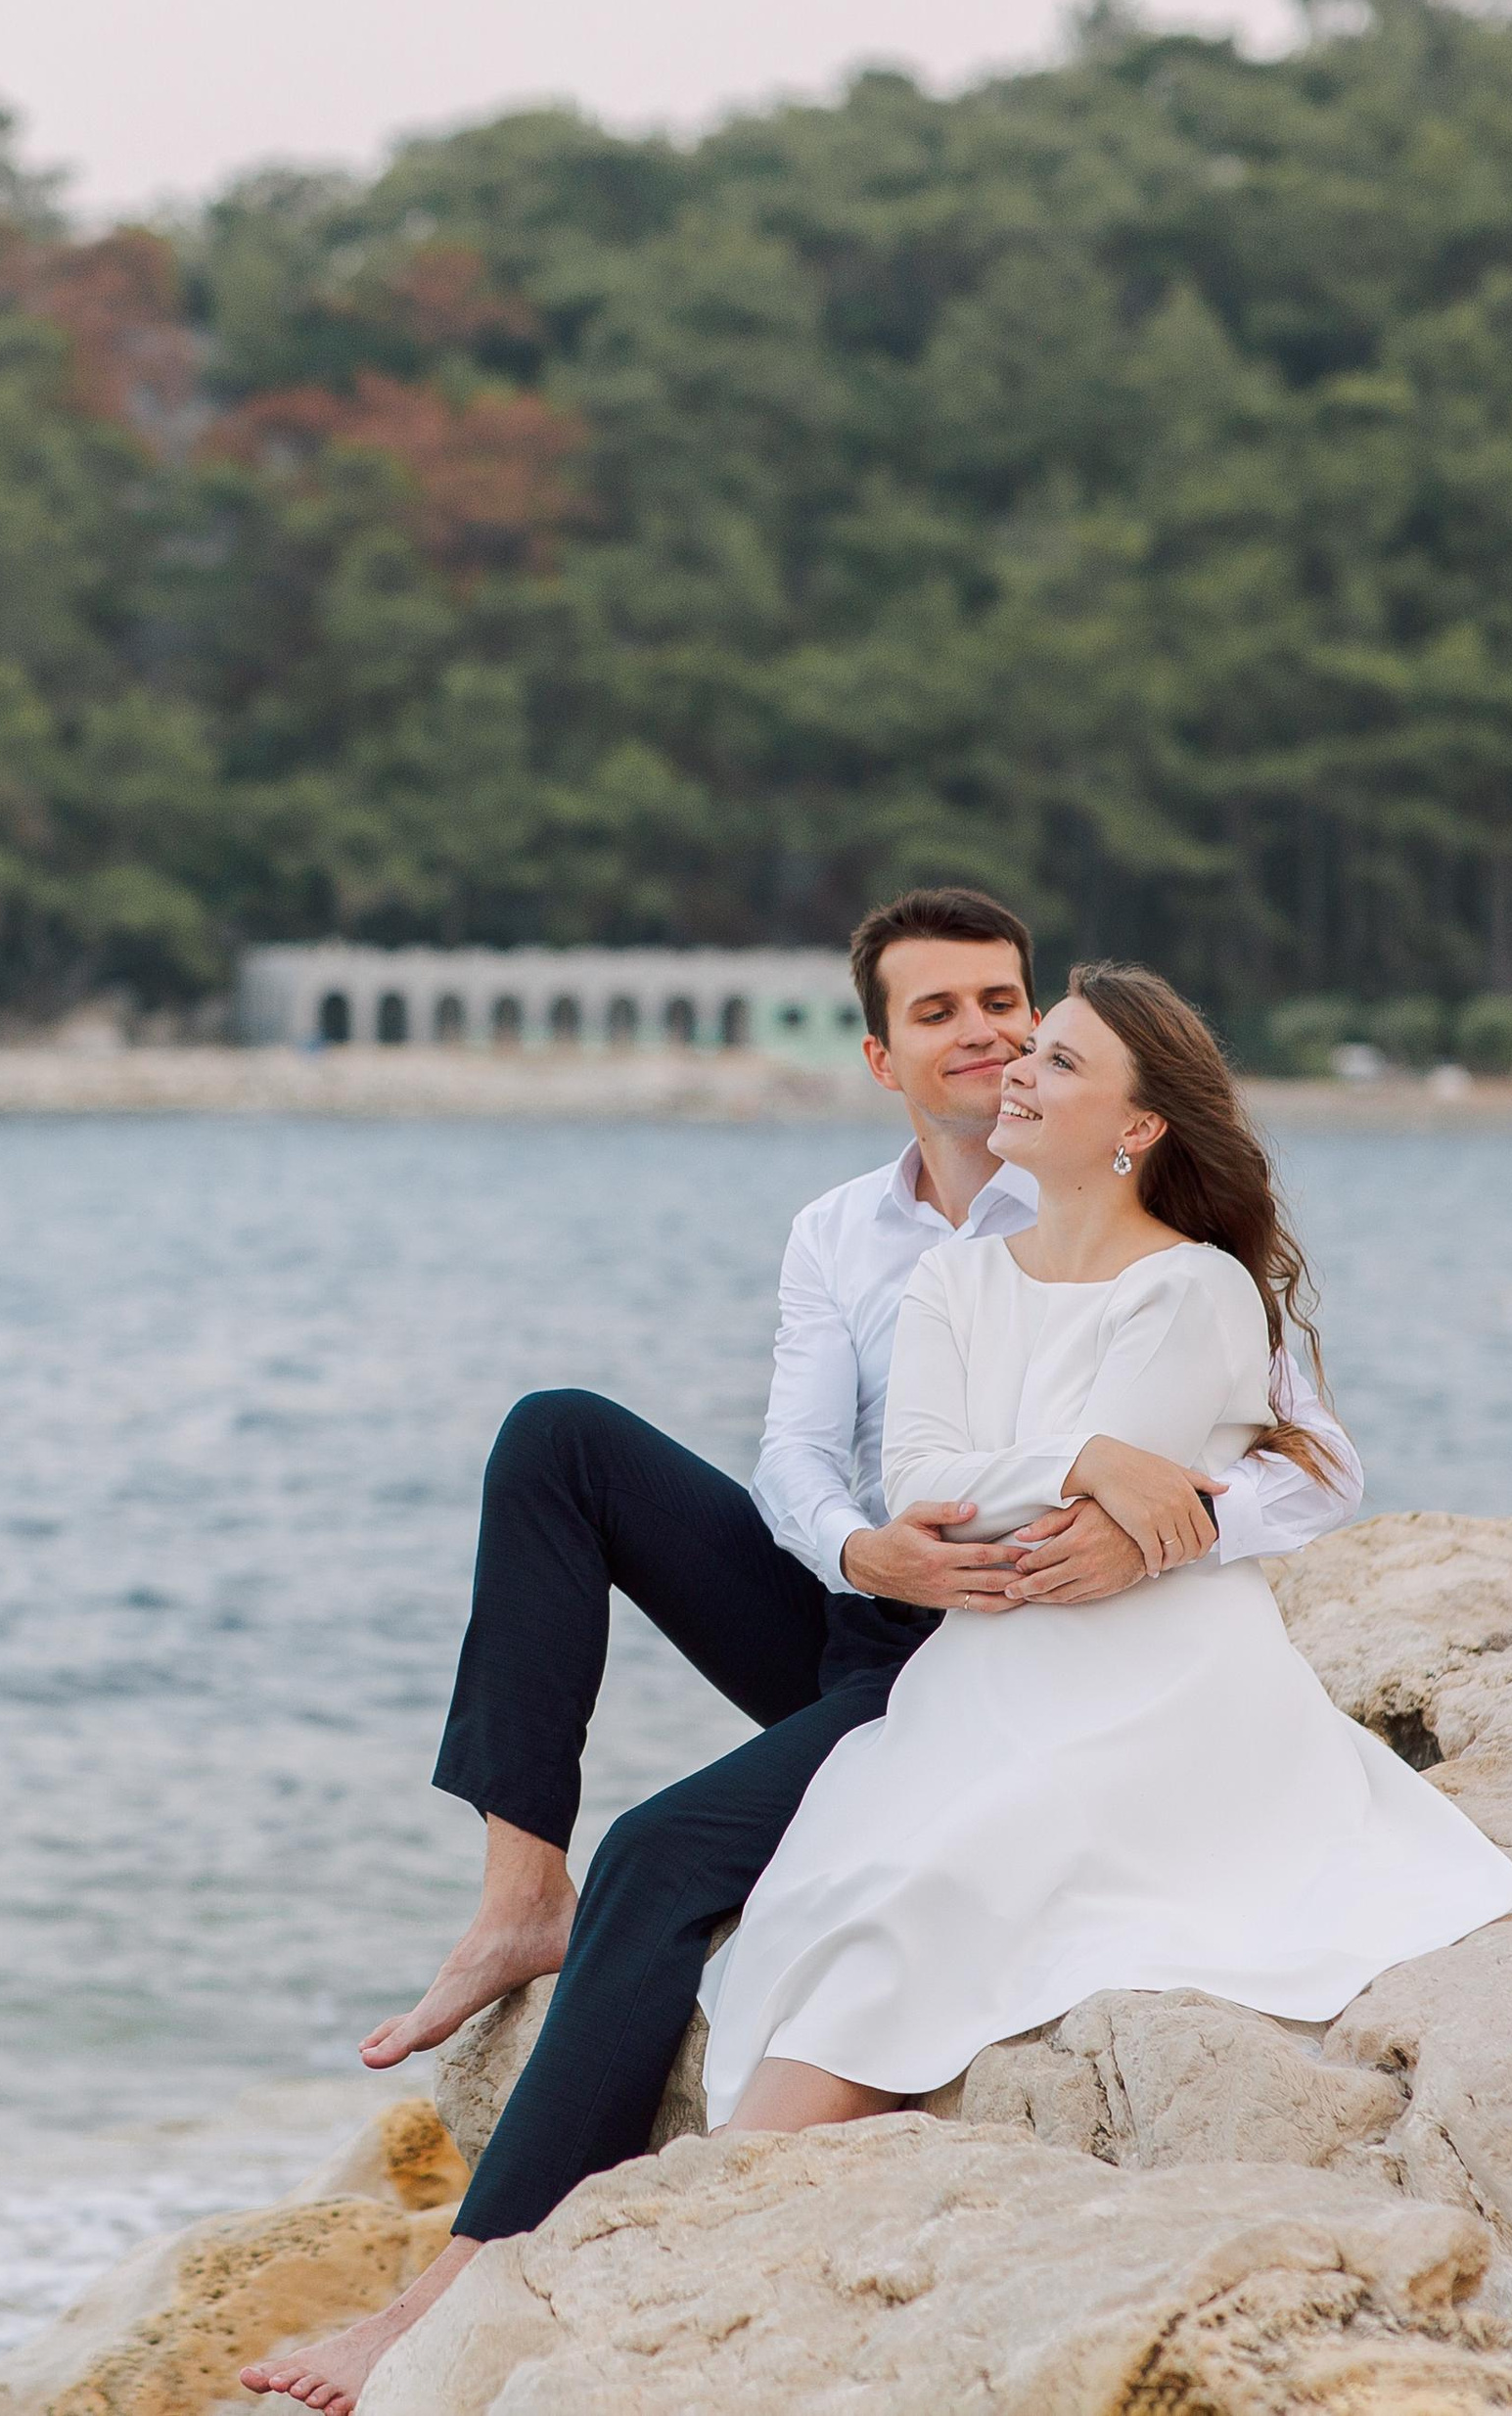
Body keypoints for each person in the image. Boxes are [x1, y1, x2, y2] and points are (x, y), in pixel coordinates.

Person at [240, 895, 1361, 2415]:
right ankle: (518, 1900)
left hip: (995, 1650)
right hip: (865, 1602)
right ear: (880, 1054)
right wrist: (857, 1549)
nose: (987, 1032)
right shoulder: (848, 1230)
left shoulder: (1129, 1219)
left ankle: (456, 2280)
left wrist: (1179, 1520)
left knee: (670, 1851)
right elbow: (792, 1453)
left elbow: (1313, 1463)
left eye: (1005, 1001)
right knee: (558, 1440)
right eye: (941, 1012)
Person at [698, 959, 1512, 2132]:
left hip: (1153, 1684)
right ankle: (728, 2186)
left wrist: (1070, 1483)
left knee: (932, 1896)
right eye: (1035, 1052)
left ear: (1137, 1125)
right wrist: (1080, 1458)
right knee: (840, 1895)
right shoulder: (951, 1276)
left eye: (1058, 1059)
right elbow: (921, 1484)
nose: (1016, 1071)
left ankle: (735, 2186)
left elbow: (1086, 1532)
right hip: (977, 1678)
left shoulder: (1196, 1289)